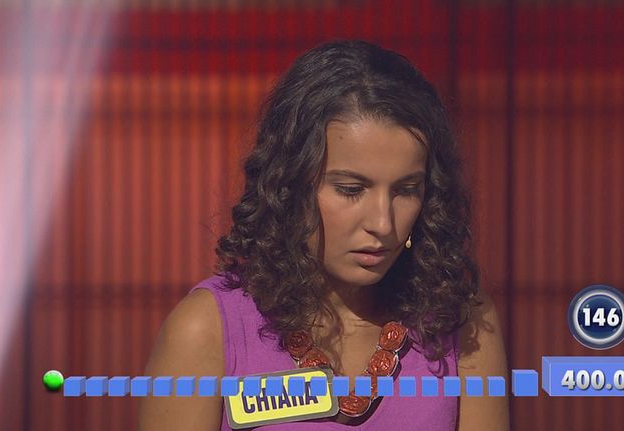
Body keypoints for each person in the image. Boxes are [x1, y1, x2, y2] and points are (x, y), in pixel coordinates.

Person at [138, 40, 509, 431]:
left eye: (406, 190)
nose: (383, 224)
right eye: (351, 190)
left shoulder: (462, 323)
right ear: (289, 183)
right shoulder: (210, 329)